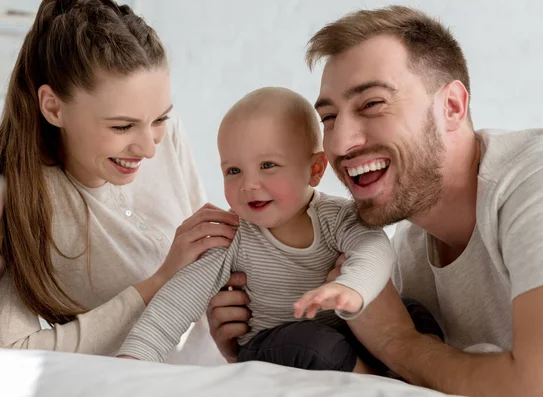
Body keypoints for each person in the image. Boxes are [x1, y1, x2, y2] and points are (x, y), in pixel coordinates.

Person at [207, 5, 543, 397]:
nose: (340, 143)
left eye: (372, 104)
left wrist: (397, 339)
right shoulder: (407, 254)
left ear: (452, 106)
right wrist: (256, 354)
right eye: (328, 118)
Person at [117, 87, 442, 374]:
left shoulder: (337, 218)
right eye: (233, 170)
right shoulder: (232, 235)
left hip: (346, 336)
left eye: (268, 165)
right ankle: (369, 382)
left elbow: (375, 249)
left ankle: (401, 378)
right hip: (274, 346)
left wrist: (351, 288)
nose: (249, 185)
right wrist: (136, 355)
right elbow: (179, 299)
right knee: (315, 345)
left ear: (314, 170)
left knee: (416, 315)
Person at [0, 0, 237, 364]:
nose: (148, 148)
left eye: (159, 118)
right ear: (53, 108)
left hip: (223, 368)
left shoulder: (166, 136)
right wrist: (156, 283)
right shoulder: (20, 198)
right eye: (121, 126)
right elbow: (11, 353)